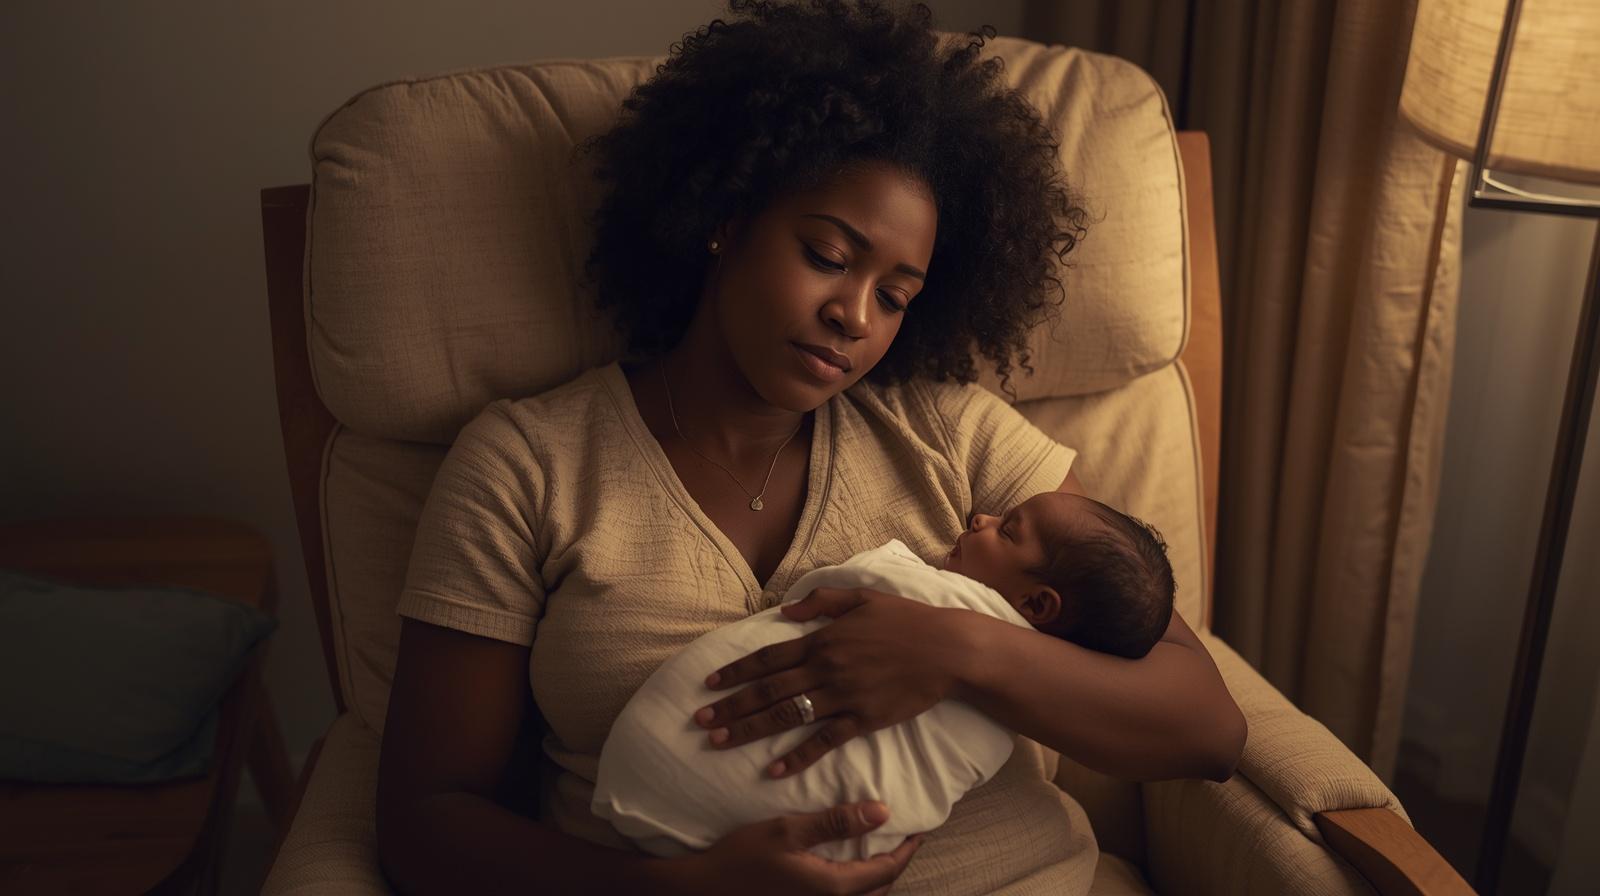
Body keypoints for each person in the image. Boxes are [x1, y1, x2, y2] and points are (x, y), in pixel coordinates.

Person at [375, 2, 1248, 894]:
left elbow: (1207, 729)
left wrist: (955, 651)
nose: (855, 317)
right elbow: (424, 822)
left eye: (898, 296)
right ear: (727, 217)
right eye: (828, 253)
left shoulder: (951, 434)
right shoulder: (528, 467)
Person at [591, 492, 1177, 862]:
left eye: (1007, 529)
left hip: (647, 781)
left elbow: (811, 600)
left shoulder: (927, 588)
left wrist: (961, 644)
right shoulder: (1017, 719)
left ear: (1038, 606)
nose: (981, 515)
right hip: (845, 851)